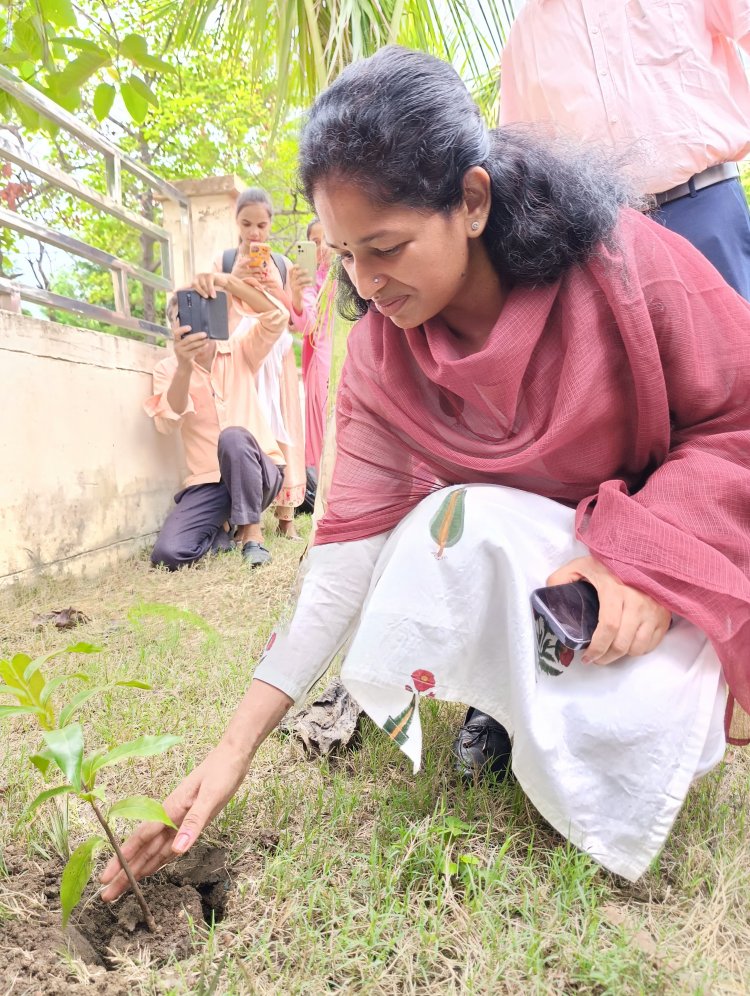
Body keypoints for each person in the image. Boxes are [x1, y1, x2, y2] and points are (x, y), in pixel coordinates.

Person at [101, 47, 750, 898]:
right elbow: (340, 570)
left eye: (387, 248)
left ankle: (627, 716)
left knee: (641, 701)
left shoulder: (624, 266)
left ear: (471, 202)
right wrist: (225, 759)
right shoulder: (380, 357)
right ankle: (522, 711)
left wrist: (641, 557)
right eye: (345, 256)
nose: (367, 286)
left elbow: (738, 422)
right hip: (559, 580)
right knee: (445, 529)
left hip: (667, 559)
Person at [498, 0, 750, 300]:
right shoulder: (528, 31)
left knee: (738, 340)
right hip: (608, 241)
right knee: (650, 348)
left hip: (705, 208)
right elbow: (523, 157)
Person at [147, 273, 290, 569]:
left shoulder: (240, 350)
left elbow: (277, 316)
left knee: (234, 437)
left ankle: (252, 534)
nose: (191, 322)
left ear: (214, 316)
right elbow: (167, 423)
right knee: (169, 554)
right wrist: (184, 368)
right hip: (210, 482)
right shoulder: (166, 369)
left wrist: (227, 282)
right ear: (172, 327)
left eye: (201, 312)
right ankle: (224, 532)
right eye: (182, 316)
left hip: (259, 471)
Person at [215, 187, 306, 538]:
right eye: (247, 224)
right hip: (239, 357)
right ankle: (241, 515)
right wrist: (233, 281)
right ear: (236, 222)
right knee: (244, 431)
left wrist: (280, 288)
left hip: (277, 356)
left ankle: (286, 519)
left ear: (270, 225)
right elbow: (217, 320)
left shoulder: (281, 263)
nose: (255, 233)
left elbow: (295, 321)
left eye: (262, 226)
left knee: (285, 430)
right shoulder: (224, 262)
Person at [288, 217, 335, 472]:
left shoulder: (352, 273)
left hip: (352, 363)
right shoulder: (311, 283)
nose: (323, 248)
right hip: (323, 368)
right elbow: (308, 324)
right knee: (329, 437)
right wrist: (296, 294)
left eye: (327, 238)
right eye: (315, 242)